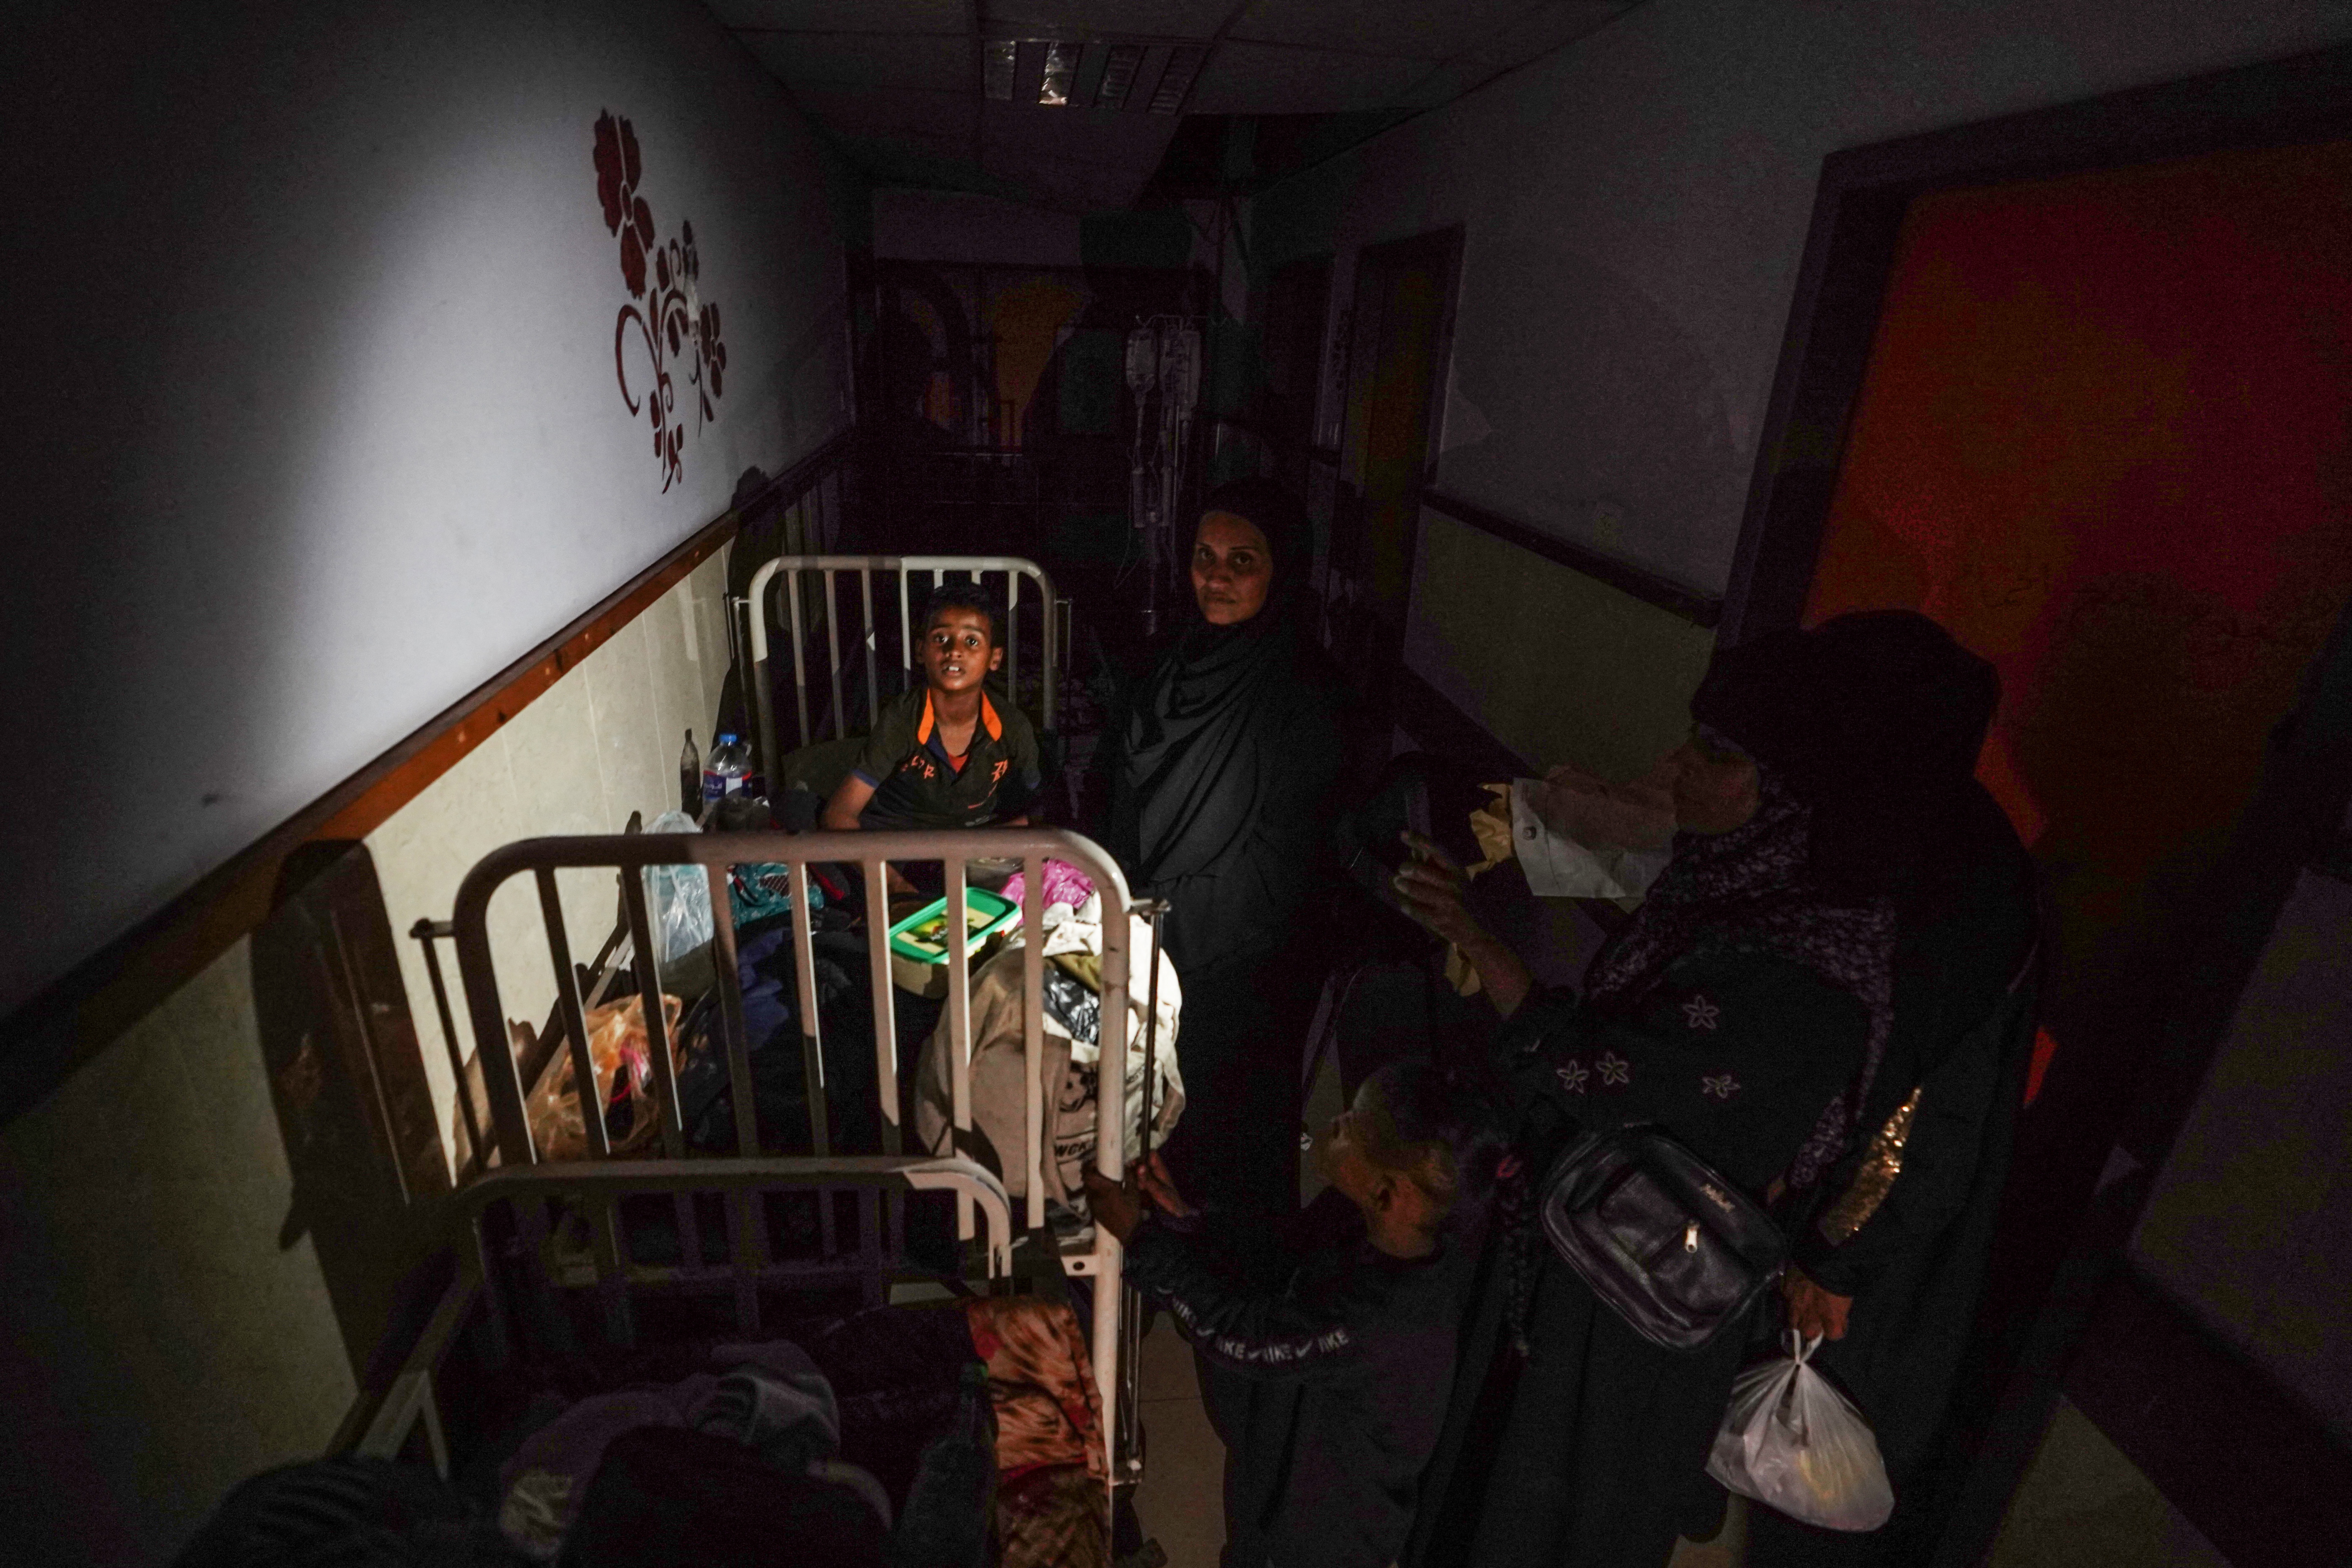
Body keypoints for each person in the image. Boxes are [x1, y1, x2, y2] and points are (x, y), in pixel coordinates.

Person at [1390, 610, 2009, 1568]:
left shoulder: (1863, 924)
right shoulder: (1775, 862)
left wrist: (1840, 1252)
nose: (1675, 765)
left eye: (1712, 750)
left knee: (1574, 1487)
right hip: (1623, 1232)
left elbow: (1632, 1069)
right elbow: (1657, 859)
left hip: (1663, 1269)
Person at [1083, 1060, 1507, 1568]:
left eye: (1351, 1126)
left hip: (1323, 1541)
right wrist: (1190, 1224)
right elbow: (1276, 1256)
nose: (1334, 1125)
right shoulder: (1357, 1220)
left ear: (1389, 1192)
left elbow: (1248, 1337)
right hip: (1281, 1490)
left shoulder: (1384, 1320)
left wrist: (1143, 1242)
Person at [1098, 476, 1351, 1224]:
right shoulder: (1170, 661)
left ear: (1282, 572)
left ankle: (1228, 1275)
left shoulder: (1307, 687)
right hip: (1153, 924)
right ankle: (1159, 1246)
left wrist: (1190, 919)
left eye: (1242, 560)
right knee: (1152, 1100)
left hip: (1246, 952)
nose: (1215, 575)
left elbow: (1297, 846)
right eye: (1204, 555)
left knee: (1229, 1116)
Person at [822, 581, 1041, 893]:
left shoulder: (1011, 727)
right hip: (900, 847)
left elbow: (1039, 810)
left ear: (995, 658)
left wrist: (980, 847)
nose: (954, 650)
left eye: (972, 641)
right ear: (921, 651)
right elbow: (839, 815)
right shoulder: (902, 719)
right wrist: (898, 888)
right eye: (941, 638)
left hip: (973, 849)